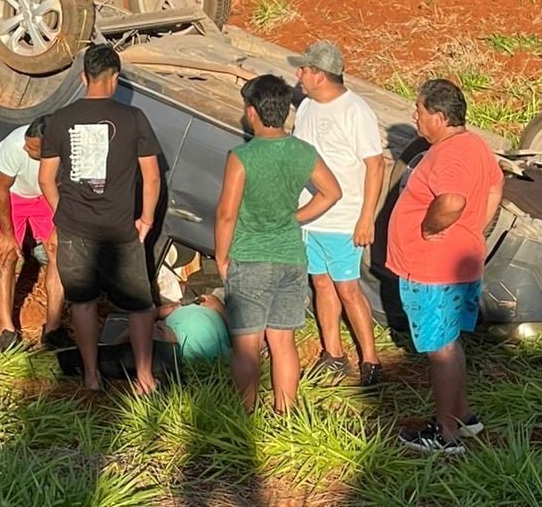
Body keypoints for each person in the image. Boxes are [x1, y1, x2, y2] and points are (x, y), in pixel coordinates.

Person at [39, 44, 163, 395]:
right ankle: (144, 377)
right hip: (121, 231)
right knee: (140, 306)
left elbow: (46, 178)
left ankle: (91, 375)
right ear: (116, 79)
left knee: (83, 302)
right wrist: (147, 220)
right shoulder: (133, 118)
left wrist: (63, 211)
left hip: (74, 228)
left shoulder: (60, 119)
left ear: (83, 78)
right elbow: (152, 177)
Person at [388, 79, 503, 455]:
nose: (414, 116)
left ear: (438, 117)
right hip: (459, 263)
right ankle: (463, 415)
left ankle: (446, 433)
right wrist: (474, 227)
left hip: (433, 269)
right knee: (451, 343)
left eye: (419, 111)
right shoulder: (476, 145)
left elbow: (451, 200)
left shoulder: (449, 154)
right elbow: (493, 187)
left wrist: (428, 227)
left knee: (440, 350)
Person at [215, 74, 341, 413]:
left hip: (250, 256)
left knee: (247, 344)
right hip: (290, 256)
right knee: (282, 340)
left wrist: (221, 256)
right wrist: (296, 216)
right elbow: (332, 192)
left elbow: (227, 213)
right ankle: (285, 413)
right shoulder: (302, 151)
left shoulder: (242, 156)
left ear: (253, 111)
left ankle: (247, 413)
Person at [289, 40, 385, 386]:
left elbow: (376, 165)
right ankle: (334, 354)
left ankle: (370, 359)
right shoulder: (306, 108)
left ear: (320, 75)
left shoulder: (354, 111)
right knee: (321, 284)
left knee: (348, 289)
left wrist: (365, 217)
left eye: (304, 69)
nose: (298, 75)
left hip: (343, 220)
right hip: (310, 218)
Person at [0, 116, 69, 352]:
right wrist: (7, 233)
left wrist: (58, 227)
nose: (25, 147)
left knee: (58, 251)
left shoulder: (71, 151)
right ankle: (7, 330)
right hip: (12, 194)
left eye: (32, 148)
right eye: (27, 143)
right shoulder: (15, 146)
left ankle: (53, 329)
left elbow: (72, 189)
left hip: (49, 195)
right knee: (7, 253)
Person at [157, 292, 230, 362]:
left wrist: (156, 313)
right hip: (222, 319)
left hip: (200, 306)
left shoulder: (168, 322)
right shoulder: (200, 348)